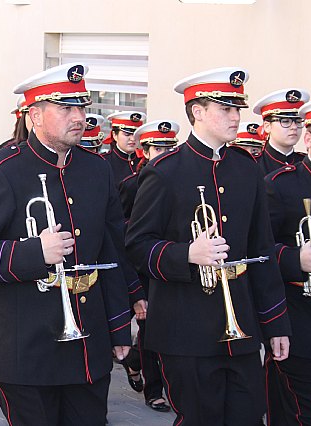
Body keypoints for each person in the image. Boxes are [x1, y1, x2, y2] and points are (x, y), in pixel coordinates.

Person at [0, 63, 133, 426]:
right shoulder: (3, 170)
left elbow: (113, 255)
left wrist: (118, 326)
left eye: (82, 108)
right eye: (66, 109)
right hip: (26, 349)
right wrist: (35, 253)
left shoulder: (96, 170)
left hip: (87, 345)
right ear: (35, 115)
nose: (79, 117)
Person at [126, 67, 292, 426]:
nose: (236, 117)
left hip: (242, 330)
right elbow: (137, 245)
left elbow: (262, 252)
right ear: (197, 111)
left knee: (248, 418)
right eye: (226, 109)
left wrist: (276, 323)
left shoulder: (246, 169)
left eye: (237, 109)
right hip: (186, 331)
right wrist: (185, 254)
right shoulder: (164, 170)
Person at [118, 119, 179, 414]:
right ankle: (154, 391)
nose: (165, 152)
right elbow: (124, 234)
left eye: (170, 146)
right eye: (159, 147)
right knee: (150, 331)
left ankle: (135, 361)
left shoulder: (181, 180)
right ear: (145, 150)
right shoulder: (131, 185)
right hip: (143, 270)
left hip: (174, 265)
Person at [263, 100, 311, 425]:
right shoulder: (282, 184)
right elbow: (262, 250)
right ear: (308, 138)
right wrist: (298, 259)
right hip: (299, 310)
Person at [254, 89, 308, 176]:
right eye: (285, 121)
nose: (294, 127)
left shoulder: (306, 163)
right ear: (267, 126)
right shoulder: (253, 164)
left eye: (298, 121)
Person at [102, 111, 146, 184]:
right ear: (114, 135)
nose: (132, 139)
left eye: (136, 135)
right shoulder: (104, 162)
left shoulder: (144, 161)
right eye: (127, 134)